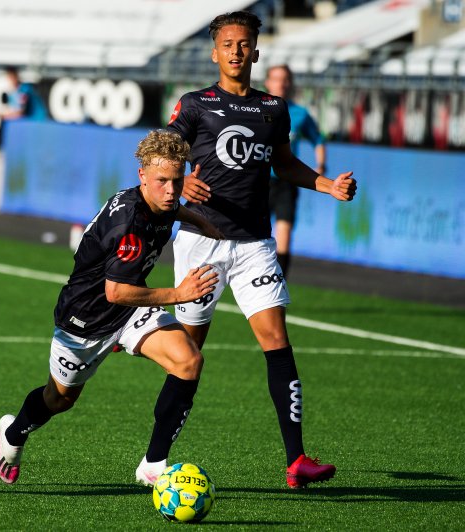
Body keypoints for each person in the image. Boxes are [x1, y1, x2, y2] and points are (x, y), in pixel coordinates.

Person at [166, 11, 357, 488]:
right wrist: (183, 179)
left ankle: (297, 461)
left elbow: (286, 163)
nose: (235, 50)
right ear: (215, 52)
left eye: (244, 43)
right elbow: (159, 153)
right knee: (188, 353)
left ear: (256, 51)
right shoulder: (195, 104)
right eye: (227, 43)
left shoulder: (273, 108)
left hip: (254, 244)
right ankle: (155, 458)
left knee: (277, 340)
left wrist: (325, 185)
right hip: (202, 242)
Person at [0, 129, 223, 486]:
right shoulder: (130, 221)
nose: (171, 190)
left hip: (131, 312)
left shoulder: (157, 200)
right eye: (162, 181)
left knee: (188, 361)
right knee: (60, 399)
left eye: (177, 181)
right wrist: (181, 294)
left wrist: (202, 222)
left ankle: (154, 464)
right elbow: (116, 292)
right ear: (142, 176)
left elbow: (173, 209)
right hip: (85, 319)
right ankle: (14, 432)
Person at [264, 64, 327, 278]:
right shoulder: (256, 108)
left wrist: (321, 164)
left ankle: (278, 281)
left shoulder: (299, 113)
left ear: (290, 83)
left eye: (285, 79)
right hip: (258, 180)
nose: (281, 83)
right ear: (267, 82)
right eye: (276, 78)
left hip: (286, 181)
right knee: (253, 233)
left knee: (284, 233)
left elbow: (318, 139)